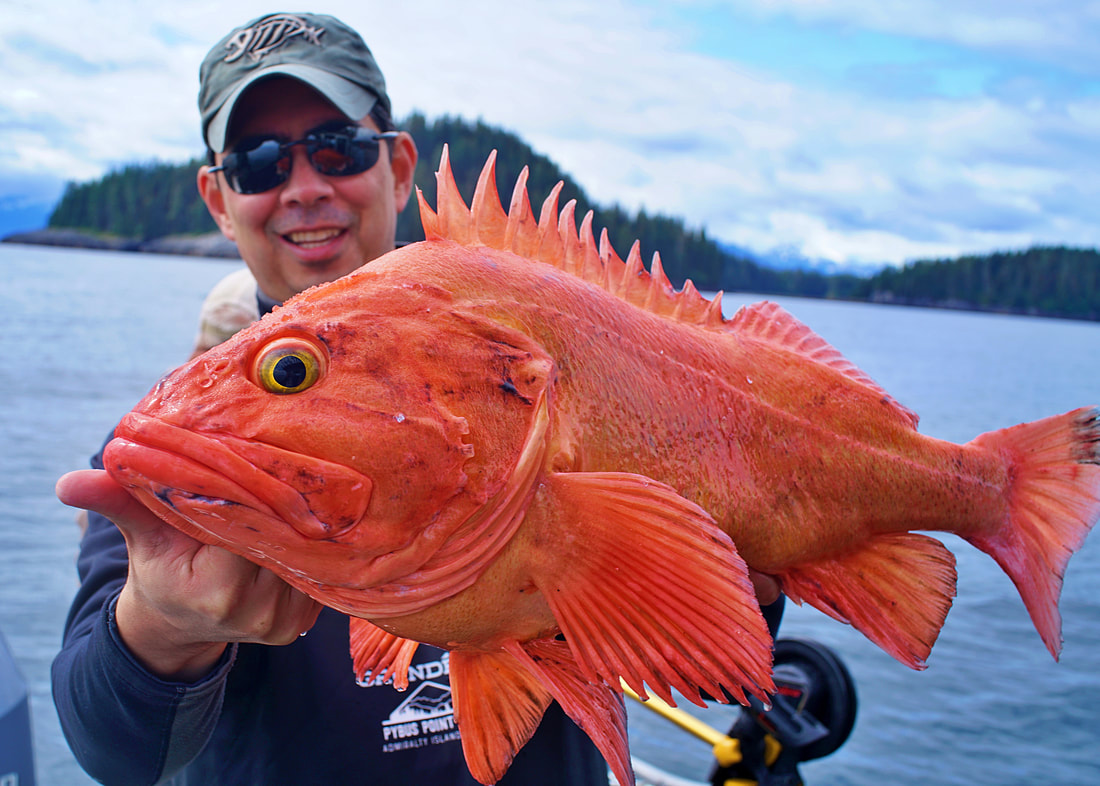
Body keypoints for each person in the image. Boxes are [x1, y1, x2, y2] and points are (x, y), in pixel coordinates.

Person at [51, 13, 613, 785]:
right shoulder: (179, 449)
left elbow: (718, 610)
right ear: (219, 199)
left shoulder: (554, 363)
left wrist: (749, 592)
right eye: (258, 164)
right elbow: (112, 751)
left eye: (338, 149)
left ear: (400, 166)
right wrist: (162, 626)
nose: (306, 189)